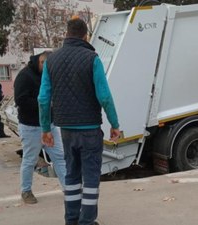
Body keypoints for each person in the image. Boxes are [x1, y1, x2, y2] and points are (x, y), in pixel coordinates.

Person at [38, 17, 120, 225]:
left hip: (66, 130)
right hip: (90, 130)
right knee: (91, 178)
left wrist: (46, 128)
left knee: (72, 176)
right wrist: (115, 124)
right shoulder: (92, 59)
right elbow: (105, 97)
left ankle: (71, 219)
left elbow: (43, 98)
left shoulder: (50, 61)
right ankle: (87, 221)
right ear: (85, 35)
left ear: (66, 33)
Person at [14, 51, 66, 204]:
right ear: (40, 61)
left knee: (60, 158)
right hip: (31, 127)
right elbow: (21, 101)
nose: (48, 68)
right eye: (46, 65)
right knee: (30, 160)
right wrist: (44, 105)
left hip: (49, 126)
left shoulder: (50, 75)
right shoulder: (25, 76)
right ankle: (26, 191)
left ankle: (68, 188)